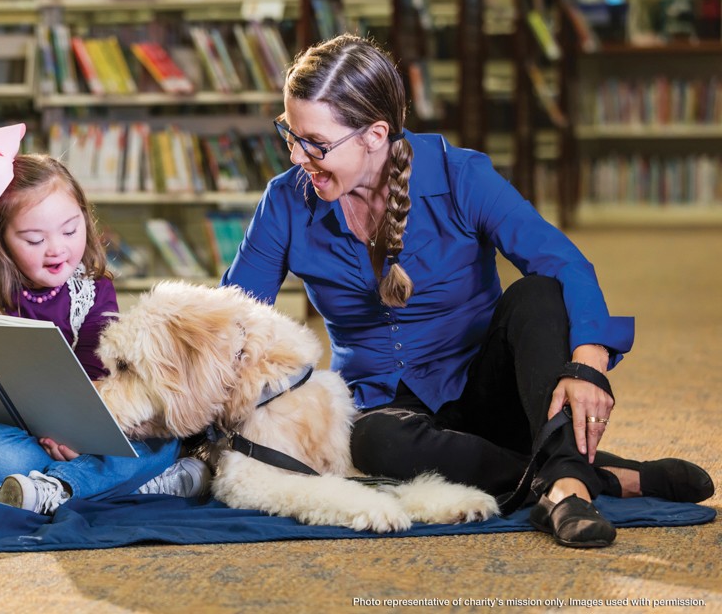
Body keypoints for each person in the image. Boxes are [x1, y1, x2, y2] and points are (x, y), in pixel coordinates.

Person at [220, 35, 713, 548]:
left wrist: (586, 366)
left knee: (539, 293)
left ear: (374, 135)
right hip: (384, 415)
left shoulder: (461, 176)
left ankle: (565, 480)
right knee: (374, 443)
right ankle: (585, 482)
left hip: (490, 396)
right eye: (290, 134)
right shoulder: (285, 201)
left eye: (316, 143)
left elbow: (564, 262)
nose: (299, 156)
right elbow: (232, 315)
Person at [0, 123, 210, 516]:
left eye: (71, 229)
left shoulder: (92, 290)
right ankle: (122, 484)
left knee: (168, 435)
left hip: (66, 438)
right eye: (35, 240)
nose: (57, 249)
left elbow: (98, 373)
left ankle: (56, 487)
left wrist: (75, 432)